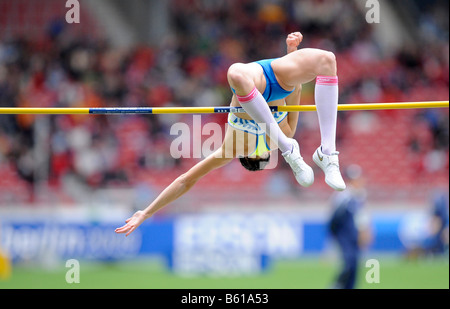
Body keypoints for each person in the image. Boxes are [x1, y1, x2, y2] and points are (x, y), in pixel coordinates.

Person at [116, 32, 346, 236]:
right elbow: (294, 97)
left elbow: (185, 180)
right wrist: (291, 56)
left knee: (237, 73)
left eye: (253, 151)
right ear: (267, 153)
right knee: (327, 61)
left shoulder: (230, 149)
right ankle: (314, 151)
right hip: (278, 81)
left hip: (254, 80)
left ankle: (312, 151)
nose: (258, 149)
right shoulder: (281, 136)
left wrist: (146, 212)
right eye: (262, 151)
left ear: (245, 155)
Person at [328, 164, 372, 289]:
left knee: (355, 265)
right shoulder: (343, 196)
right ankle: (337, 285)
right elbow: (334, 219)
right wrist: (335, 235)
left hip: (354, 236)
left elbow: (363, 217)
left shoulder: (360, 195)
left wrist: (365, 231)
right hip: (345, 236)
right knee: (349, 263)